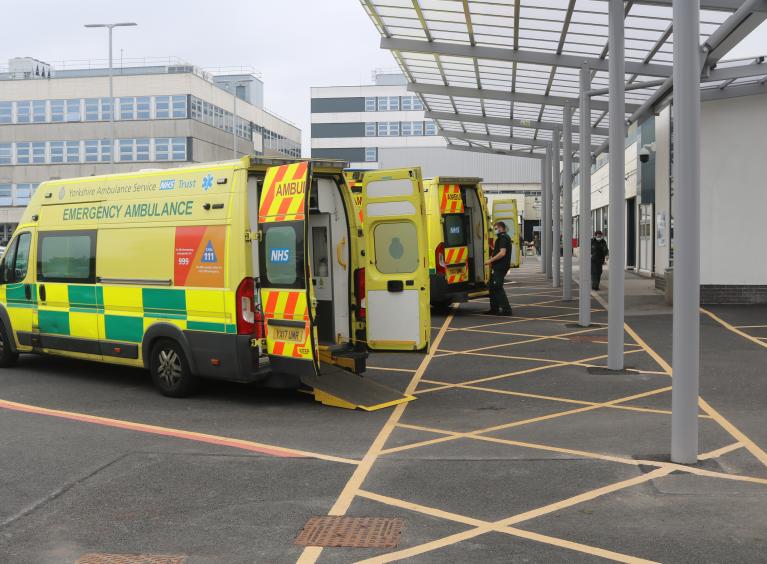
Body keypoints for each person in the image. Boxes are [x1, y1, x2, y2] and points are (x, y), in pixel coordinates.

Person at [484, 221, 513, 316]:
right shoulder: (501, 238)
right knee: (491, 286)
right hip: (498, 266)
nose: (495, 230)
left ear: (501, 228)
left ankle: (506, 310)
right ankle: (494, 309)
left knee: (497, 287)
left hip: (501, 266)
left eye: (495, 228)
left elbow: (502, 253)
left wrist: (490, 260)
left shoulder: (503, 238)